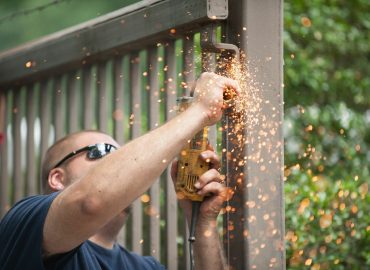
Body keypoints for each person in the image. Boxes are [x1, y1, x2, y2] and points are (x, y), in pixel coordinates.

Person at [0, 72, 238, 270]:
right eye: (102, 152)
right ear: (57, 178)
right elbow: (90, 202)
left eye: (119, 153)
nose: (116, 161)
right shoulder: (24, 221)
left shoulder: (145, 267)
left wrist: (202, 224)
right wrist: (200, 111)